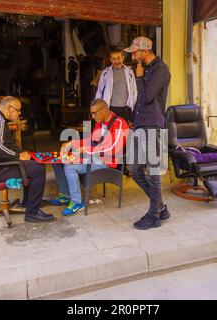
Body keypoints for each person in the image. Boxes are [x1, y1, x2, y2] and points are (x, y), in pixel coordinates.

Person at [0, 96, 55, 223]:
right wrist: (18, 156)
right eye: (18, 110)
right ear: (9, 108)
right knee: (38, 168)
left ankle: (28, 202)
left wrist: (24, 153)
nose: (20, 113)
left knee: (34, 160)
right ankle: (32, 213)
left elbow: (5, 145)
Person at [49, 99, 129, 216]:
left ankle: (77, 202)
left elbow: (112, 149)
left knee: (70, 167)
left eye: (94, 113)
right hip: (93, 157)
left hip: (106, 162)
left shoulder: (119, 123)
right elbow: (91, 141)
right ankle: (66, 195)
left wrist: (86, 150)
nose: (92, 116)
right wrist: (72, 143)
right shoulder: (100, 123)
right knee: (58, 161)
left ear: (103, 110)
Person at [124, 36, 171, 230]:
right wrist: (133, 119)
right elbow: (141, 99)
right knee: (134, 168)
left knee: (152, 172)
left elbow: (149, 96)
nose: (133, 56)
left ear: (145, 51)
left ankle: (154, 215)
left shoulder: (160, 69)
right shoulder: (145, 69)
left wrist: (140, 77)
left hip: (153, 123)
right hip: (141, 123)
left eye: (135, 52)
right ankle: (160, 206)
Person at [95, 48, 137, 124]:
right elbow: (99, 91)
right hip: (110, 108)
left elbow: (134, 91)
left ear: (123, 58)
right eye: (114, 59)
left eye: (118, 58)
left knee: (124, 132)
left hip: (125, 109)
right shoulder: (105, 73)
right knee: (110, 132)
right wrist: (97, 109)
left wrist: (133, 108)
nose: (117, 61)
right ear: (110, 59)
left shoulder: (130, 72)